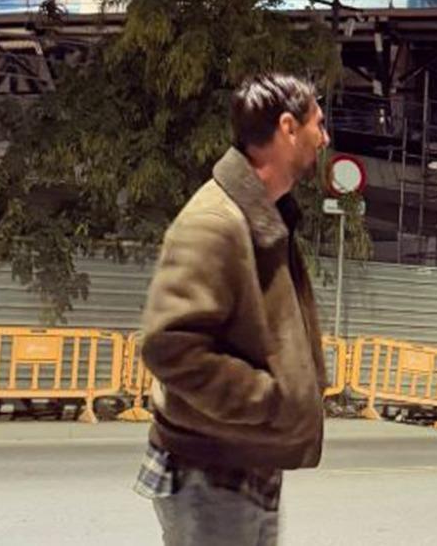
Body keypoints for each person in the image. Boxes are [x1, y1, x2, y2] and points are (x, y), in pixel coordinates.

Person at [133, 73, 331, 546]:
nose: (324, 139)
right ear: (287, 127)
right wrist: (271, 399)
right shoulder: (216, 223)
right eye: (318, 125)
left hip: (240, 464)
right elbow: (170, 347)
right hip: (210, 474)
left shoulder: (263, 217)